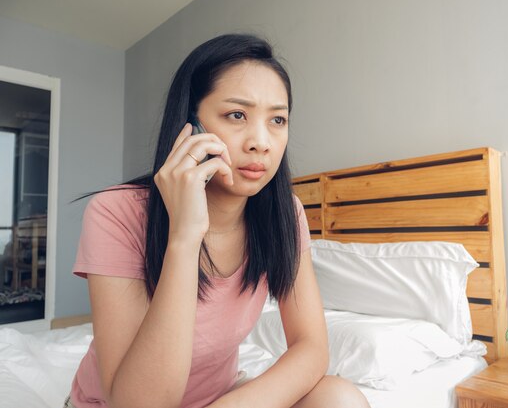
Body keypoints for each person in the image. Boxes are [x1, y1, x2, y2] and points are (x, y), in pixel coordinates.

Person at [66, 34, 370, 408]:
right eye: (237, 115)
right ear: (190, 125)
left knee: (340, 398)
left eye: (277, 119)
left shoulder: (284, 214)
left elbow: (311, 347)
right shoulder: (116, 211)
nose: (261, 142)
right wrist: (185, 235)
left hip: (220, 399)